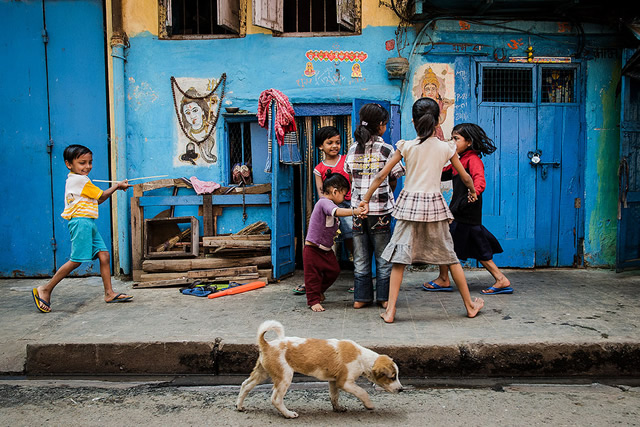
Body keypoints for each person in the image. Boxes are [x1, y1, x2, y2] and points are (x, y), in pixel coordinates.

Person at [359, 98, 484, 323]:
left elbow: (381, 175)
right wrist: (473, 190)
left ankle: (390, 311)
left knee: (399, 259)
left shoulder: (406, 146)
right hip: (435, 206)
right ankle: (469, 305)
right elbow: (464, 176)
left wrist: (365, 199)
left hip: (408, 206)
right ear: (437, 121)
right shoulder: (446, 147)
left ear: (414, 121)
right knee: (450, 257)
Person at [32, 145, 133, 313]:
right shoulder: (79, 180)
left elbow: (97, 200)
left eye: (90, 162)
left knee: (104, 255)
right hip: (81, 223)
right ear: (69, 164)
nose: (87, 166)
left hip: (88, 222)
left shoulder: (79, 180)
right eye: (82, 163)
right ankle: (46, 289)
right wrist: (117, 186)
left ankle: (109, 293)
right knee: (77, 260)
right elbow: (101, 195)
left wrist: (115, 187)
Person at [424, 123, 512, 295]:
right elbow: (445, 173)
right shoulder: (460, 159)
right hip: (460, 208)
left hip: (467, 209)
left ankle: (500, 279)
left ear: (469, 142)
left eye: (456, 138)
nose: (452, 141)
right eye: (452, 138)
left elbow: (479, 180)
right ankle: (444, 278)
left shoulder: (473, 160)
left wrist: (475, 192)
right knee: (450, 241)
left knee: (457, 242)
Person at [345, 103, 405, 309]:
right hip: (381, 212)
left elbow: (349, 175)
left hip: (357, 211)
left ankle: (361, 298)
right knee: (383, 257)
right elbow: (395, 177)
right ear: (380, 125)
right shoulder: (388, 149)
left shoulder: (352, 149)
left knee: (360, 257)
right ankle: (384, 298)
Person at [294, 126, 354, 295]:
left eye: (337, 142)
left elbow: (353, 184)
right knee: (326, 243)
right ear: (321, 146)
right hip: (329, 208)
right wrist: (327, 208)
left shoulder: (346, 161)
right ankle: (316, 280)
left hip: (348, 205)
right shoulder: (319, 168)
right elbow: (321, 193)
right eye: (330, 143)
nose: (334, 146)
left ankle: (360, 278)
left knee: (352, 241)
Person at [303, 172, 364, 312]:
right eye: (343, 195)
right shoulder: (324, 202)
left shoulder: (328, 203)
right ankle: (313, 300)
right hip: (312, 250)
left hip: (326, 250)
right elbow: (336, 212)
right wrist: (354, 211)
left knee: (334, 271)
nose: (343, 198)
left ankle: (318, 292)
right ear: (335, 191)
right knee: (312, 277)